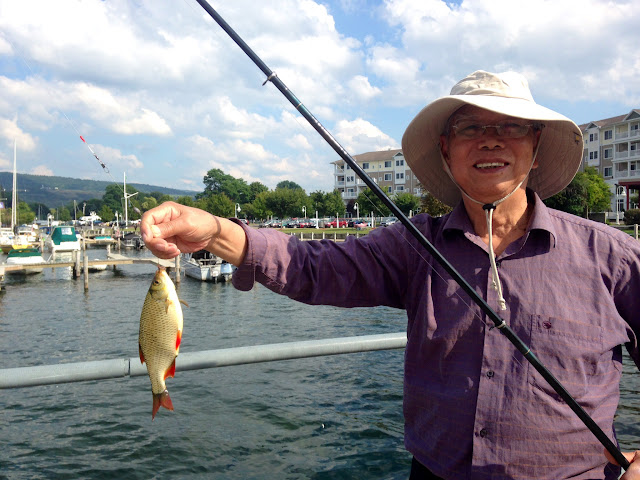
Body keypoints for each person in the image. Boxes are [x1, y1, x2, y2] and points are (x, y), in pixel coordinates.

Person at [141, 70, 640, 480]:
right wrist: (215, 231)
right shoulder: (413, 246)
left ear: (536, 144)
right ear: (446, 150)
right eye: (469, 128)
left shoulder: (613, 256)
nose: (490, 139)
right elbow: (316, 266)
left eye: (510, 126)